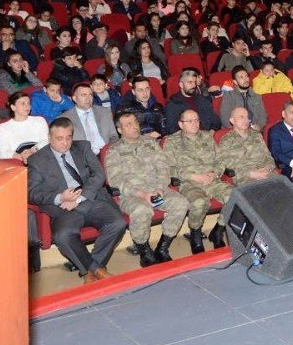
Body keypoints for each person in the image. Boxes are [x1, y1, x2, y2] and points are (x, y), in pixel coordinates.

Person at [27, 118, 126, 283]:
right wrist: (60, 197)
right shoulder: (37, 160)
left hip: (89, 199)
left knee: (118, 224)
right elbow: (31, 192)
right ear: (50, 137)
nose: (65, 143)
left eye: (68, 137)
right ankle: (96, 270)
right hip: (63, 208)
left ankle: (89, 270)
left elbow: (99, 175)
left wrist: (79, 198)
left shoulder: (83, 147)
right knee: (63, 236)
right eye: (59, 138)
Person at [104, 111, 191, 267]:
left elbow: (164, 168)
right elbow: (115, 180)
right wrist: (142, 194)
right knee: (142, 210)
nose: (134, 127)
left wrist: (159, 188)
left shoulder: (151, 143)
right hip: (131, 195)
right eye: (128, 124)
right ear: (119, 130)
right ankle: (144, 250)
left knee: (181, 203)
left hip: (157, 190)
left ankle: (162, 247)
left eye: (135, 122)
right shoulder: (114, 150)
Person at [163, 109, 231, 254]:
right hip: (189, 183)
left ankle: (218, 230)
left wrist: (214, 173)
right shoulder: (172, 141)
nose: (195, 124)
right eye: (190, 121)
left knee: (235, 197)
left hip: (212, 180)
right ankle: (195, 233)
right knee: (199, 202)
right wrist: (194, 177)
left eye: (197, 120)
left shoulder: (207, 137)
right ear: (180, 124)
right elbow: (169, 169)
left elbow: (221, 160)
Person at [217, 106, 277, 187]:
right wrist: (250, 174)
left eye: (247, 117)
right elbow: (226, 164)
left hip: (266, 173)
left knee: (287, 190)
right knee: (263, 195)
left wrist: (267, 169)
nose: (245, 120)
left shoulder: (256, 135)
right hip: (245, 178)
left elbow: (268, 156)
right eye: (241, 117)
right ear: (232, 120)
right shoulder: (226, 140)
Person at [59, 82, 117, 155]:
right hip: (82, 157)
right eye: (84, 95)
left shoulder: (104, 112)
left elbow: (114, 136)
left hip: (107, 153)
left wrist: (110, 150)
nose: (88, 98)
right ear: (74, 98)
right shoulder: (64, 118)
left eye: (90, 95)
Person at [164, 68, 221, 134]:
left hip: (207, 136)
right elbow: (171, 128)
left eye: (195, 82)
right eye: (190, 82)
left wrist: (212, 131)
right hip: (186, 139)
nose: (194, 85)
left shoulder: (202, 100)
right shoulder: (173, 104)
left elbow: (216, 121)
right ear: (181, 85)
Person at [0, 91, 49, 161]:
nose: (27, 106)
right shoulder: (3, 128)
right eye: (23, 103)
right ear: (13, 107)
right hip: (18, 162)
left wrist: (32, 151)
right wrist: (21, 157)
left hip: (41, 156)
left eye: (29, 103)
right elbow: (3, 153)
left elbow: (46, 141)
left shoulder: (40, 120)